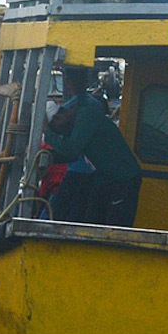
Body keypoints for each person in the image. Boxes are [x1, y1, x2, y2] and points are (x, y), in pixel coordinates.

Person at [43, 65, 142, 227]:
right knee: (91, 218)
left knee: (115, 223)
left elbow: (71, 149)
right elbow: (71, 154)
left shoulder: (86, 113)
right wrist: (48, 157)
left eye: (59, 116)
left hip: (124, 178)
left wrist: (48, 132)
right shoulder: (84, 110)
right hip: (105, 177)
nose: (59, 119)